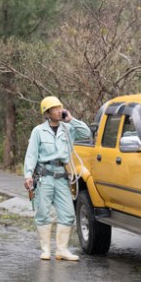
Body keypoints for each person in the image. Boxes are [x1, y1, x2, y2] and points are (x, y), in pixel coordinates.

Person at [24, 96, 92, 261]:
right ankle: (46, 249)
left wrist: (71, 119)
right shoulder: (38, 131)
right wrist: (28, 174)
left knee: (68, 213)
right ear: (47, 113)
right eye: (54, 108)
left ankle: (62, 250)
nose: (58, 110)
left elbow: (87, 133)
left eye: (60, 107)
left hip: (62, 176)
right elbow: (31, 154)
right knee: (43, 212)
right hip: (44, 176)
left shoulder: (68, 129)